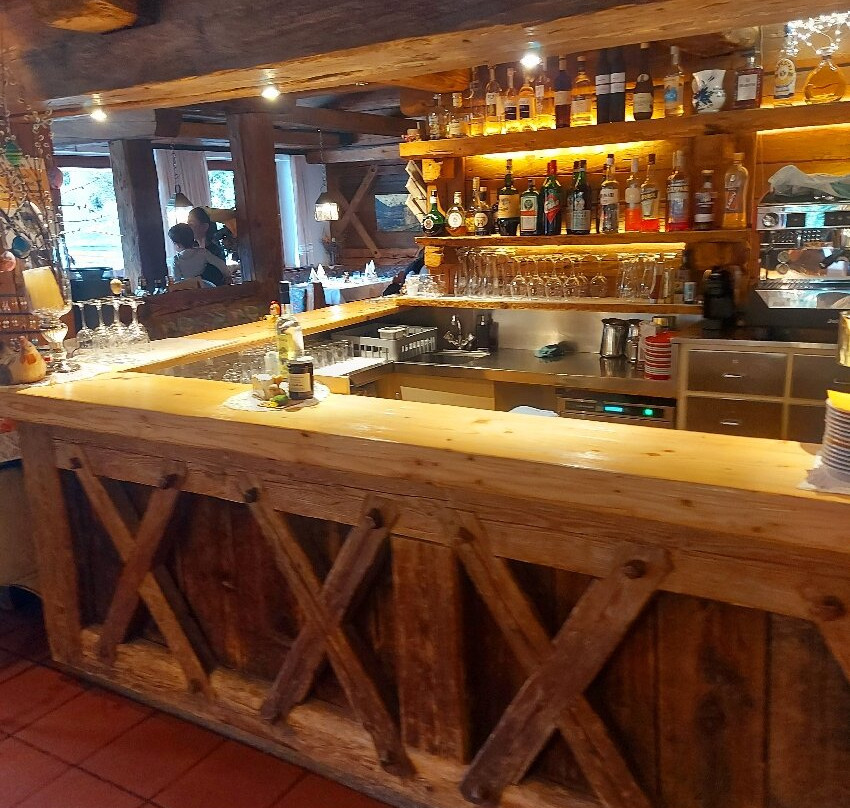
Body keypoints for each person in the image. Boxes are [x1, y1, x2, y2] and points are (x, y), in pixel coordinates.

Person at [187, 207, 228, 286]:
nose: (187, 228)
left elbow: (215, 278)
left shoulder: (215, 250)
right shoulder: (190, 249)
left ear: (204, 227)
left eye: (191, 224)